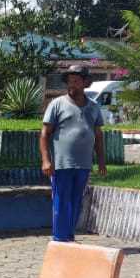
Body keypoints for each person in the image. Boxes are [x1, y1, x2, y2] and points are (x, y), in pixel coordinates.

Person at [39, 64, 106, 242]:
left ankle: (69, 236)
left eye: (76, 81)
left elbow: (98, 136)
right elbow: (45, 134)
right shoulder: (57, 104)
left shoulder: (93, 107)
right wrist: (46, 160)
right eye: (69, 81)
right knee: (61, 201)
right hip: (61, 164)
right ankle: (60, 239)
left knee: (76, 202)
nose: (72, 85)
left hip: (83, 164)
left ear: (85, 83)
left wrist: (101, 162)